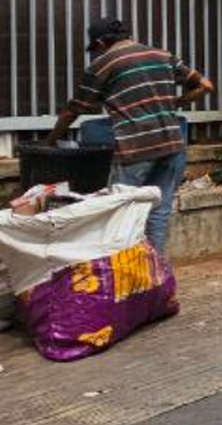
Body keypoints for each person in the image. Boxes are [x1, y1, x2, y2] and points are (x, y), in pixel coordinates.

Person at [49, 18, 213, 254]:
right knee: (158, 213)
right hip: (173, 146)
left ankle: (121, 276)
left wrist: (51, 139)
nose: (96, 54)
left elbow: (72, 110)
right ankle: (153, 275)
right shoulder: (162, 55)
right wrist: (179, 101)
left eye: (95, 49)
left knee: (118, 213)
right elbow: (206, 85)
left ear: (100, 42)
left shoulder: (102, 65)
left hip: (136, 149)